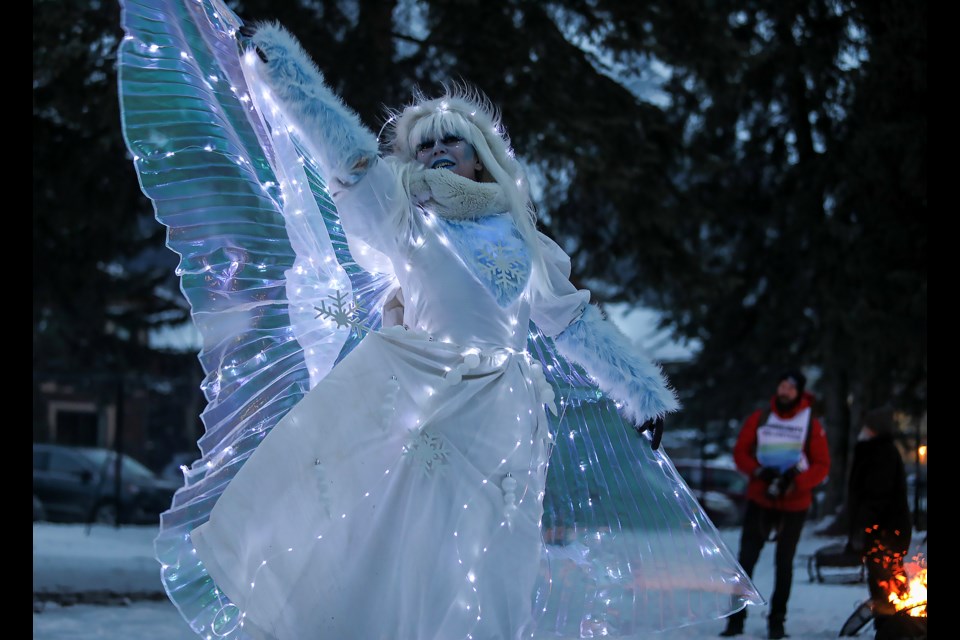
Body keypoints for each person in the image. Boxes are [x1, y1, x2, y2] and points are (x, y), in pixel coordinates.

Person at [118, 4, 762, 639]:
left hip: (501, 412)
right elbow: (350, 164)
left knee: (484, 558)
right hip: (418, 389)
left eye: (451, 140)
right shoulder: (404, 221)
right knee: (398, 542)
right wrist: (290, 81)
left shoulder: (527, 240)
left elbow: (571, 321)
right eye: (424, 146)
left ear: (480, 155)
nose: (437, 152)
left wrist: (640, 390)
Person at [720, 369, 831, 639]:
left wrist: (796, 482)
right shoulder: (761, 418)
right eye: (782, 386)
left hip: (794, 504)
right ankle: (736, 620)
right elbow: (740, 453)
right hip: (761, 498)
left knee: (784, 563)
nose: (784, 392)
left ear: (799, 393)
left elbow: (821, 465)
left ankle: (777, 622)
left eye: (790, 388)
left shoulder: (811, 424)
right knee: (745, 561)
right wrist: (759, 472)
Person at [845, 406, 913, 637]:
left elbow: (876, 495)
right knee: (885, 580)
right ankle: (894, 626)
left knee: (885, 582)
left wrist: (864, 529)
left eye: (867, 426)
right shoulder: (873, 450)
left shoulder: (880, 453)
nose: (862, 430)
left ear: (874, 429)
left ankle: (891, 628)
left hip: (884, 533)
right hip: (881, 532)